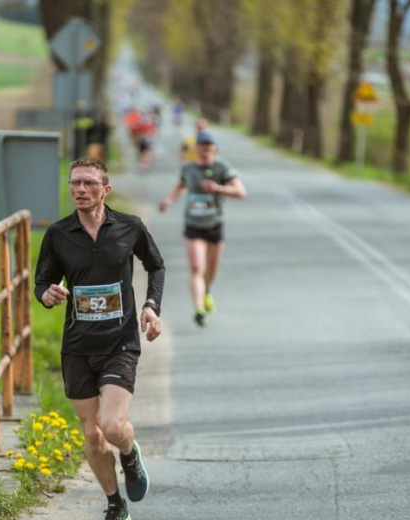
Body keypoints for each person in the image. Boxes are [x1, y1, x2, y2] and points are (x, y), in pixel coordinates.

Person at [35, 157, 165, 520]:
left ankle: (129, 452)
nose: (80, 189)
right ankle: (114, 502)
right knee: (92, 436)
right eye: (75, 183)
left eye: (89, 183)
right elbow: (42, 282)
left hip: (119, 343)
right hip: (77, 347)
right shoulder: (58, 235)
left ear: (105, 189)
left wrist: (151, 306)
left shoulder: (129, 228)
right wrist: (46, 295)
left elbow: (155, 265)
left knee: (111, 427)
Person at [159, 131, 246, 327]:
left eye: (209, 145)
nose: (206, 148)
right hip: (193, 225)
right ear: (197, 147)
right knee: (197, 267)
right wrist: (168, 200)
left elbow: (241, 192)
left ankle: (206, 290)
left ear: (214, 148)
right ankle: (198, 308)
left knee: (211, 268)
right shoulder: (188, 168)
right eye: (202, 144)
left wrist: (219, 189)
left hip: (215, 224)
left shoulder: (222, 167)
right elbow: (180, 186)